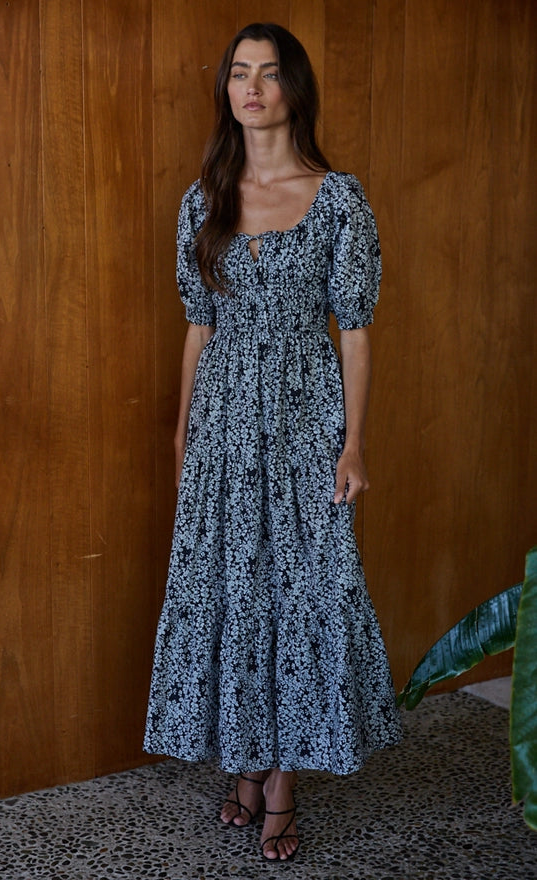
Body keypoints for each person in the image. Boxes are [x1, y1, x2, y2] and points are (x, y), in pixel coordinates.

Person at [144, 22, 402, 863]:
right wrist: (183, 431)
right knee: (236, 588)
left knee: (302, 593)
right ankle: (248, 764)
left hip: (303, 419)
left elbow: (355, 331)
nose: (249, 87)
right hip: (221, 421)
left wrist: (352, 444)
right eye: (237, 74)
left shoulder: (338, 199)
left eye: (266, 74)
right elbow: (197, 324)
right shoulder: (202, 198)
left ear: (293, 88)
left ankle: (281, 784)